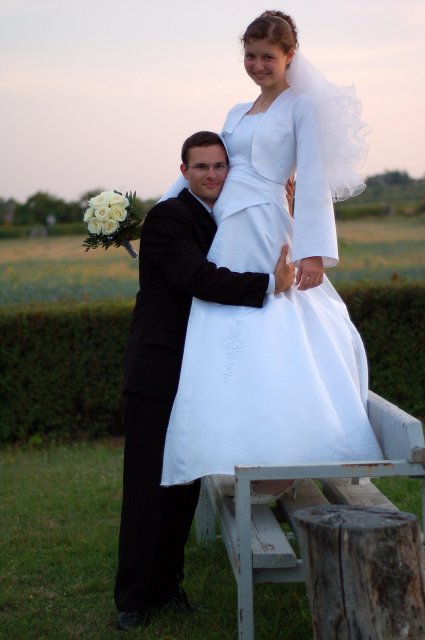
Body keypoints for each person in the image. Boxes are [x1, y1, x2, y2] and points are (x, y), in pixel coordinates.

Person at [160, 11, 383, 490]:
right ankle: (232, 447)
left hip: (267, 226)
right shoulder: (235, 112)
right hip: (228, 228)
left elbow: (314, 175)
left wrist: (313, 251)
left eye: (268, 57)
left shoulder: (302, 107)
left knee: (277, 319)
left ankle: (291, 450)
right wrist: (155, 212)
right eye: (250, 56)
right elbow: (209, 169)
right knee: (224, 323)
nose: (258, 65)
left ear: (289, 57)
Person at [114, 130, 295, 630]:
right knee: (148, 485)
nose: (212, 175)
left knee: (184, 483)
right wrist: (269, 284)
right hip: (157, 368)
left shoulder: (222, 215)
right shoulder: (169, 217)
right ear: (184, 171)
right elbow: (196, 278)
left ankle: (167, 587)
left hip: (197, 369)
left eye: (219, 166)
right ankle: (131, 601)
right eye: (201, 167)